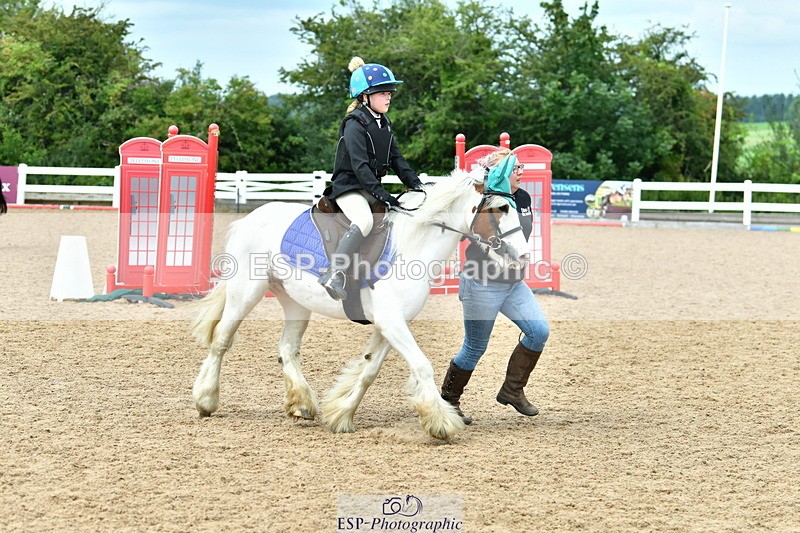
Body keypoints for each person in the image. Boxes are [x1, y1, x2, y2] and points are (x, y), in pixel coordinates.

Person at [440, 150, 550, 425]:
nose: (521, 171)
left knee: (538, 332)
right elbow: (485, 235)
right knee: (475, 347)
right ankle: (448, 402)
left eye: (521, 166)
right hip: (481, 283)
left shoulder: (522, 198)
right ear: (501, 173)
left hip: (513, 284)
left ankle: (512, 390)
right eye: (515, 168)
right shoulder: (486, 202)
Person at [319, 56, 424, 301]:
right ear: (365, 96)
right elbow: (360, 166)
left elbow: (398, 159)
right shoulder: (354, 124)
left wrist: (417, 184)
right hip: (349, 187)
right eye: (382, 93)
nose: (388, 96)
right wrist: (384, 195)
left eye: (390, 92)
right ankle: (334, 273)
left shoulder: (383, 123)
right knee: (365, 221)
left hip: (368, 186)